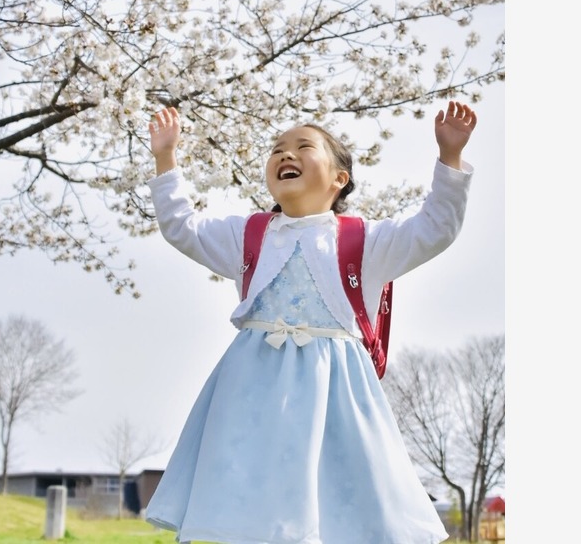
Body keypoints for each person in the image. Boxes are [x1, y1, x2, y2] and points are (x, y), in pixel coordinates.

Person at [143, 101, 478, 544]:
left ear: (340, 178)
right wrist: (166, 158)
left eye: (304, 147)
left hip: (334, 390)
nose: (286, 153)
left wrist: (450, 158)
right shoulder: (249, 235)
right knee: (252, 495)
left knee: (335, 495)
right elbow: (182, 227)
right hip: (251, 390)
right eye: (277, 149)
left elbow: (434, 229)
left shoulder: (366, 240)